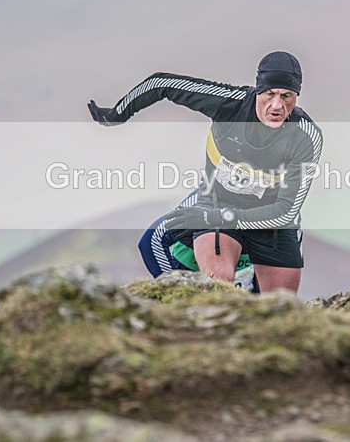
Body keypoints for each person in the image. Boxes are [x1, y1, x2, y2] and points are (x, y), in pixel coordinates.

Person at [89, 51, 322, 294]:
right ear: (258, 90)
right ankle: (192, 306)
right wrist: (116, 114)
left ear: (296, 96)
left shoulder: (306, 136)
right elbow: (161, 83)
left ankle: (248, 291)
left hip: (271, 215)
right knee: (215, 286)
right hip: (219, 200)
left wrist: (220, 217)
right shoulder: (229, 104)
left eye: (286, 96)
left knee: (279, 306)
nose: (277, 105)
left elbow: (285, 211)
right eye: (269, 94)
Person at [138, 189, 261, 293]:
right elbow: (152, 240)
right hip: (192, 284)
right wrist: (176, 291)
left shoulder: (269, 201)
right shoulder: (204, 200)